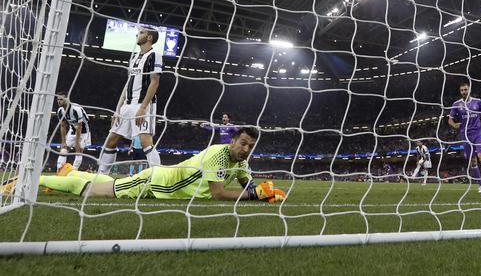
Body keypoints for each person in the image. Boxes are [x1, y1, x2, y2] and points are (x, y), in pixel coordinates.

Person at [20, 127, 286, 202]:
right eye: (242, 143)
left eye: (250, 145)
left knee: (113, 184)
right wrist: (253, 196)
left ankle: (71, 171)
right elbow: (218, 194)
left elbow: (247, 183)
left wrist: (265, 190)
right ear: (233, 141)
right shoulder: (218, 154)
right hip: (157, 182)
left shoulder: (240, 160)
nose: (246, 149)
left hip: (163, 182)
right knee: (91, 191)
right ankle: (31, 181)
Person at [98, 27, 162, 174]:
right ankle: (102, 175)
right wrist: (117, 109)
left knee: (146, 141)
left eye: (141, 33)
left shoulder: (154, 55)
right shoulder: (134, 57)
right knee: (111, 140)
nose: (137, 35)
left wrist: (142, 108)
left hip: (143, 105)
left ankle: (159, 176)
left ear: (150, 37)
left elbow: (155, 82)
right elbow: (128, 84)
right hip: (127, 105)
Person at [448, 81, 481, 193]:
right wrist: (454, 125)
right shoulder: (456, 104)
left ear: (469, 89)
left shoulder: (478, 102)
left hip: (478, 133)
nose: (463, 92)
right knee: (473, 162)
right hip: (465, 135)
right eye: (462, 90)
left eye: (465, 89)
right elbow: (450, 120)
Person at [55, 91, 91, 170]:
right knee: (64, 149)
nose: (58, 101)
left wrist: (77, 142)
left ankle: (74, 171)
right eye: (57, 99)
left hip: (84, 131)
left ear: (67, 99)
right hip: (72, 129)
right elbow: (63, 125)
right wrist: (63, 141)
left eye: (61, 99)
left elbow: (80, 126)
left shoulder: (76, 109)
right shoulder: (60, 111)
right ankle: (59, 170)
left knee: (78, 151)